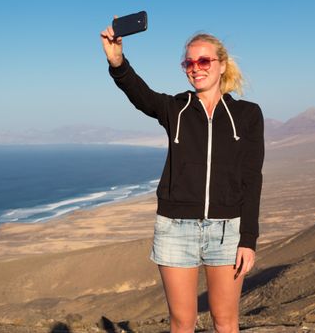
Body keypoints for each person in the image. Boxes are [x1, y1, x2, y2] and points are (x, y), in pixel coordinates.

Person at [100, 20, 264, 333]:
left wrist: (248, 239)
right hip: (175, 229)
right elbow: (140, 94)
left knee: (226, 321)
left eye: (204, 60)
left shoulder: (247, 115)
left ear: (221, 64)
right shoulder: (175, 108)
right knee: (181, 322)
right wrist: (117, 61)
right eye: (189, 62)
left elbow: (251, 178)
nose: (195, 68)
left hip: (227, 231)